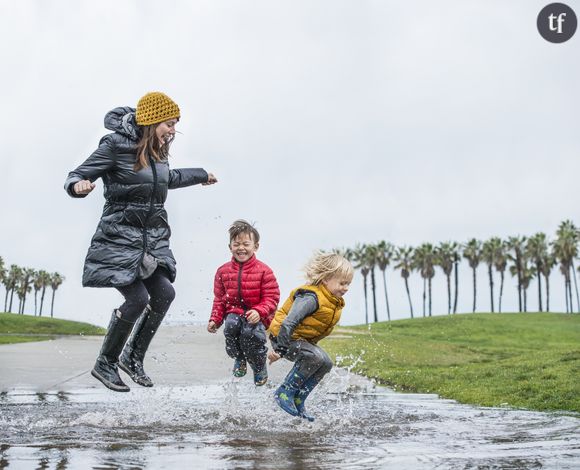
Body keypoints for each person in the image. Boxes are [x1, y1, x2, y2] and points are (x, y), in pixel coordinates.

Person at [64, 91, 217, 392]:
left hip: (150, 241)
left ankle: (132, 357)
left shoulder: (157, 151)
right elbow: (77, 174)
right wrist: (77, 186)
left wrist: (200, 175)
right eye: (169, 124)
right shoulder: (114, 146)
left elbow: (167, 179)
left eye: (175, 124)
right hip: (118, 238)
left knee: (165, 294)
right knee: (138, 299)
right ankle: (105, 363)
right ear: (152, 121)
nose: (173, 130)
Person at [268, 252, 353, 421]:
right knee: (314, 357)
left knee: (326, 363)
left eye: (348, 284)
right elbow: (288, 323)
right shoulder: (311, 297)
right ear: (326, 279)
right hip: (284, 337)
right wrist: (280, 349)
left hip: (299, 339)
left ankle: (299, 399)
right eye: (342, 283)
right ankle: (284, 392)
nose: (345, 288)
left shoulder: (331, 301)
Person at [207, 220, 280, 385]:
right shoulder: (223, 271)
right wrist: (215, 319)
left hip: (258, 316)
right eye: (236, 244)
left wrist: (260, 311)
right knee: (231, 325)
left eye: (246, 244)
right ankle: (239, 358)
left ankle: (259, 366)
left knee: (251, 335)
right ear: (230, 247)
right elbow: (219, 299)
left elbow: (272, 297)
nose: (241, 248)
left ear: (256, 246)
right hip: (235, 312)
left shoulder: (264, 271)